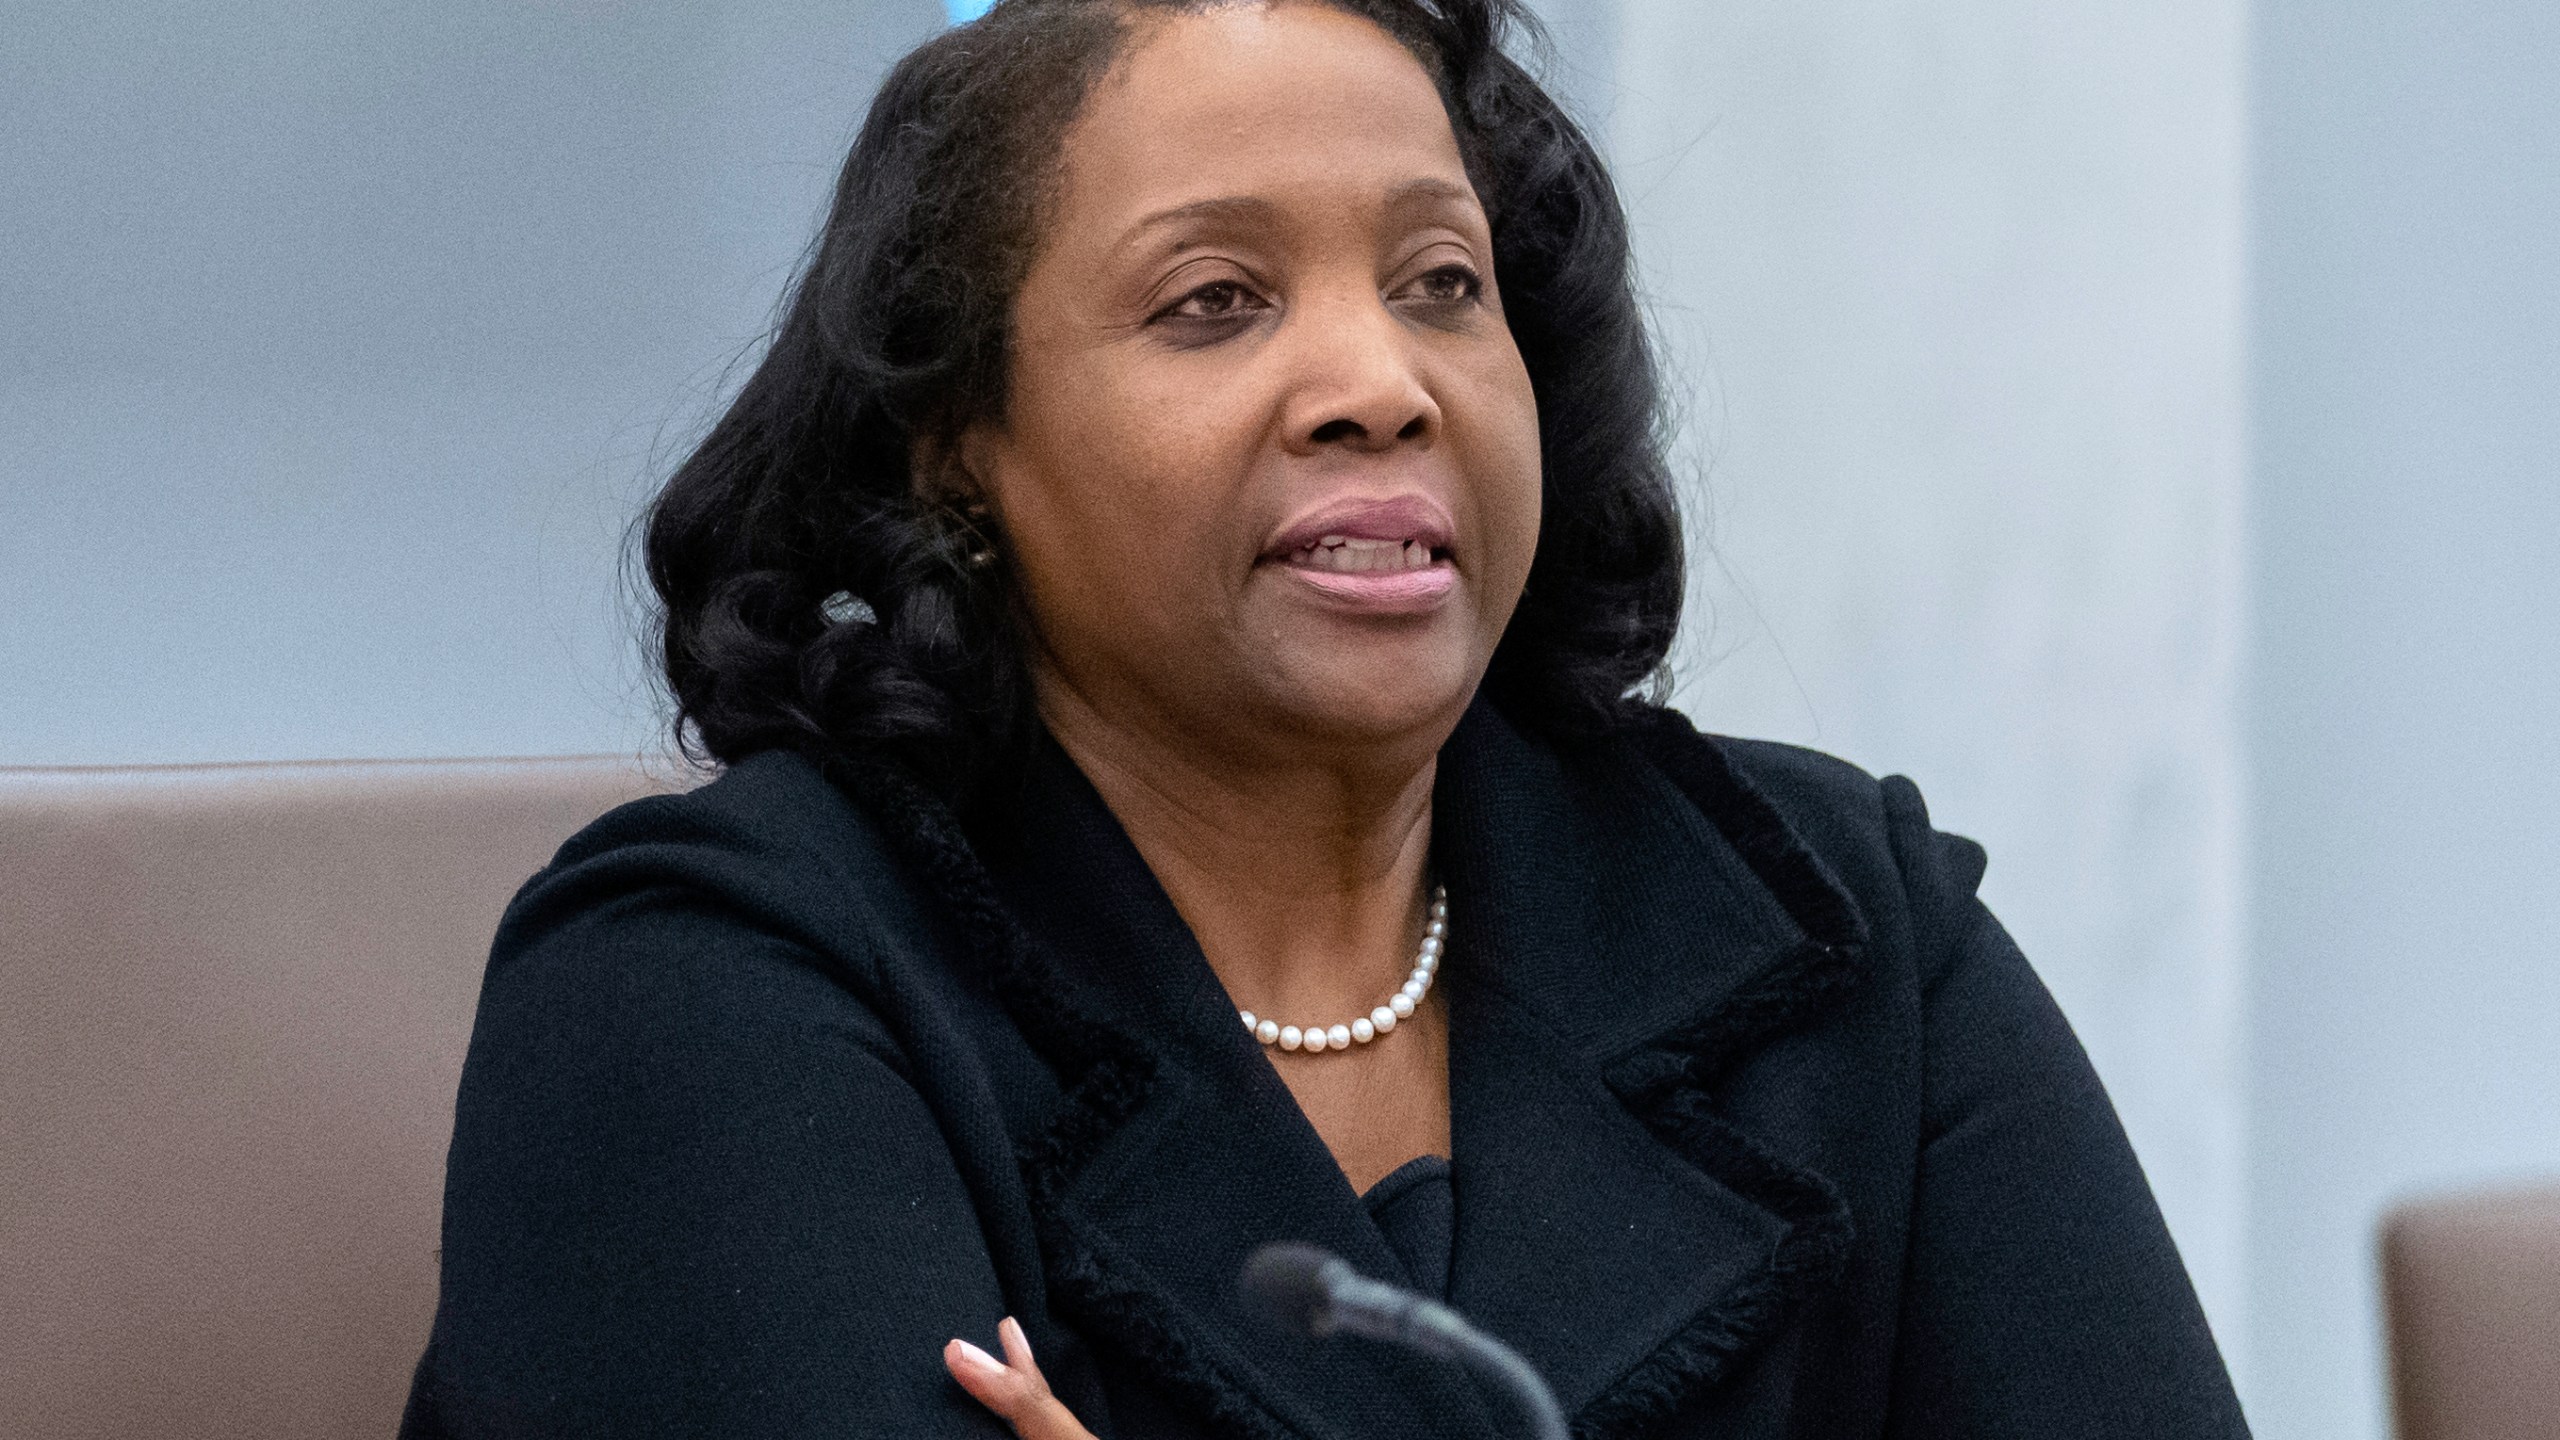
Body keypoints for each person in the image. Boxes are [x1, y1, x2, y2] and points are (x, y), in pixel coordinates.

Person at [399, 1, 2252, 1436]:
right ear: (957, 450)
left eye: (1446, 285)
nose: (1379, 382)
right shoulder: (704, 987)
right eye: (1214, 303)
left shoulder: (1846, 931)